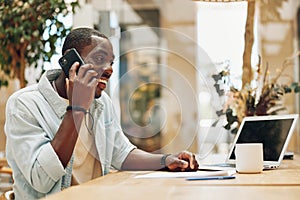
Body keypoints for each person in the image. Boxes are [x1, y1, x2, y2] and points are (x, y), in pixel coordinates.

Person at [4, 27, 199, 199]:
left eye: (111, 62)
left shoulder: (102, 103)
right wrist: (76, 108)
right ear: (70, 62)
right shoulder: (24, 104)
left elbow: (121, 153)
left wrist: (166, 160)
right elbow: (41, 180)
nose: (109, 70)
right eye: (99, 59)